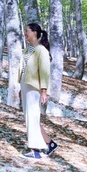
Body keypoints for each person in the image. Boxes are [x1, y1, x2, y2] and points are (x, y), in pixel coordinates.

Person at [20, 22, 58, 159]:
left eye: (27, 31)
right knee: (31, 118)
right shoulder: (27, 50)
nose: (25, 33)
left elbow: (44, 71)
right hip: (25, 85)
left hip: (34, 87)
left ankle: (35, 150)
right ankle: (50, 143)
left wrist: (44, 90)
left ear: (34, 33)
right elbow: (23, 69)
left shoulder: (41, 50)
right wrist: (20, 87)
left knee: (32, 117)